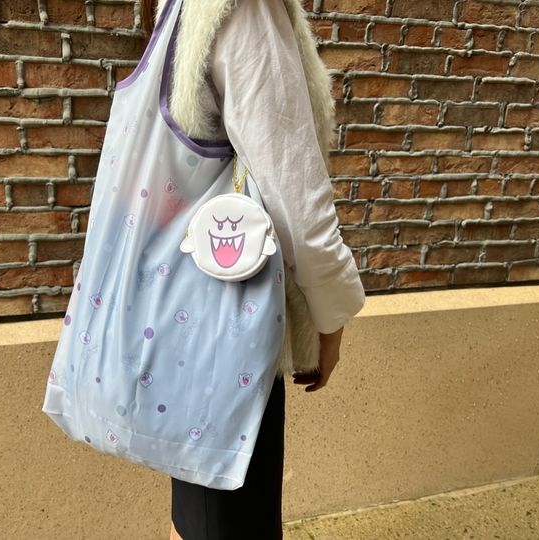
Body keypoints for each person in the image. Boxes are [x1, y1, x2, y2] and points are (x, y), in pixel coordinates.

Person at [137, 0, 367, 538]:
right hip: (231, 320)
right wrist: (330, 318)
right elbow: (295, 196)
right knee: (229, 518)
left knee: (199, 514)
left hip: (185, 309)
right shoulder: (247, 10)